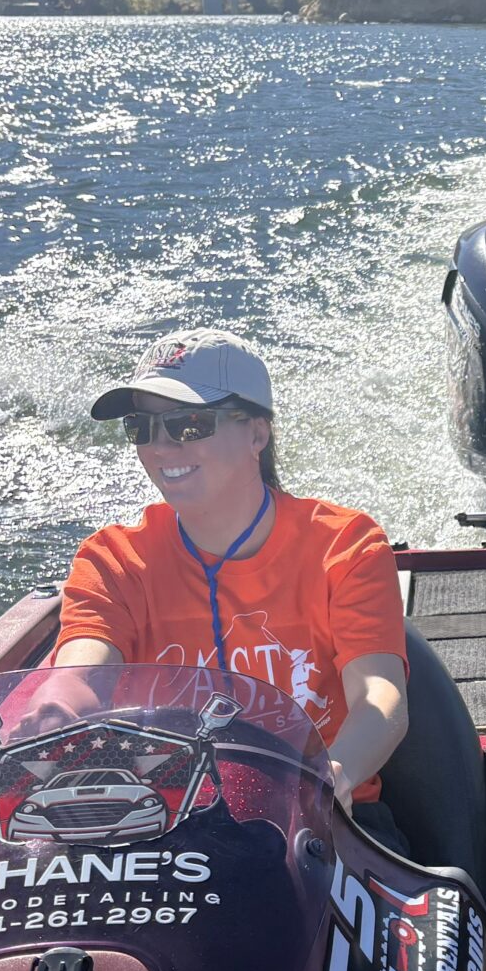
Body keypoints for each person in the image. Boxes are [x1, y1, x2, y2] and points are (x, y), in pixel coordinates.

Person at [32, 328, 411, 850]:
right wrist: (56, 710)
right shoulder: (113, 559)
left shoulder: (345, 546)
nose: (161, 447)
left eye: (188, 424)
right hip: (157, 825)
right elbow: (80, 668)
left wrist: (332, 779)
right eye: (141, 427)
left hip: (324, 818)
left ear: (258, 433)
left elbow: (381, 699)